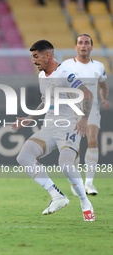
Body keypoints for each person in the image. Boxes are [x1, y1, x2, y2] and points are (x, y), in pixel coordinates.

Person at [12, 40, 95, 221]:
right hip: (49, 127)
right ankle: (57, 196)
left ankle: (84, 202)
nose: (33, 61)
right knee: (23, 157)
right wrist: (29, 117)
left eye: (36, 57)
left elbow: (87, 93)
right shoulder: (43, 76)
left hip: (68, 126)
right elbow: (46, 100)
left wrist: (83, 119)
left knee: (65, 165)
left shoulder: (64, 72)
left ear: (47, 55)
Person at [62, 34, 110, 196]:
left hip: (92, 109)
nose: (83, 45)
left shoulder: (98, 66)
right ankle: (77, 183)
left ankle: (89, 183)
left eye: (86, 43)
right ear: (76, 47)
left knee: (93, 139)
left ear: (91, 47)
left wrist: (104, 99)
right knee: (76, 146)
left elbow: (103, 85)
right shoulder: (67, 65)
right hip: (72, 111)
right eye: (80, 43)